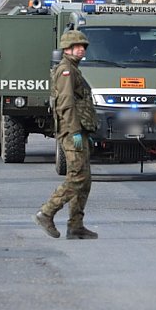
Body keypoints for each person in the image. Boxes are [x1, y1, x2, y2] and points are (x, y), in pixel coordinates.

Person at [33, 30, 99, 240]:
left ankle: (76, 225)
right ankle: (47, 212)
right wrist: (75, 131)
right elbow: (66, 104)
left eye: (83, 46)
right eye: (76, 46)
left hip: (79, 130)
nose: (81, 49)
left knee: (85, 179)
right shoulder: (66, 70)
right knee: (77, 177)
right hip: (72, 132)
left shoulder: (74, 69)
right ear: (67, 49)